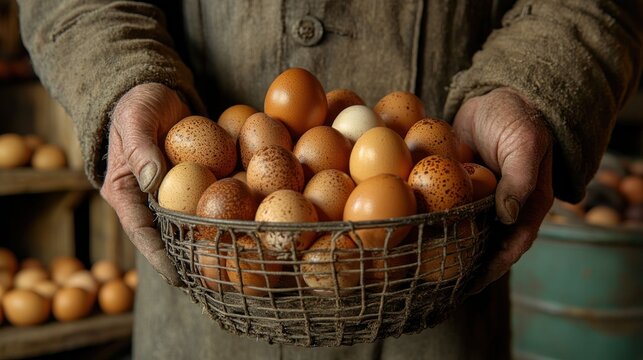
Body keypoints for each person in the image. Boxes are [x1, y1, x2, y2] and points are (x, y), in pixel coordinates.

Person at [17, 0, 642, 359]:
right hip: (207, 307)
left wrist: (529, 87)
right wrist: (126, 77)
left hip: (433, 289)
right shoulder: (251, 177)